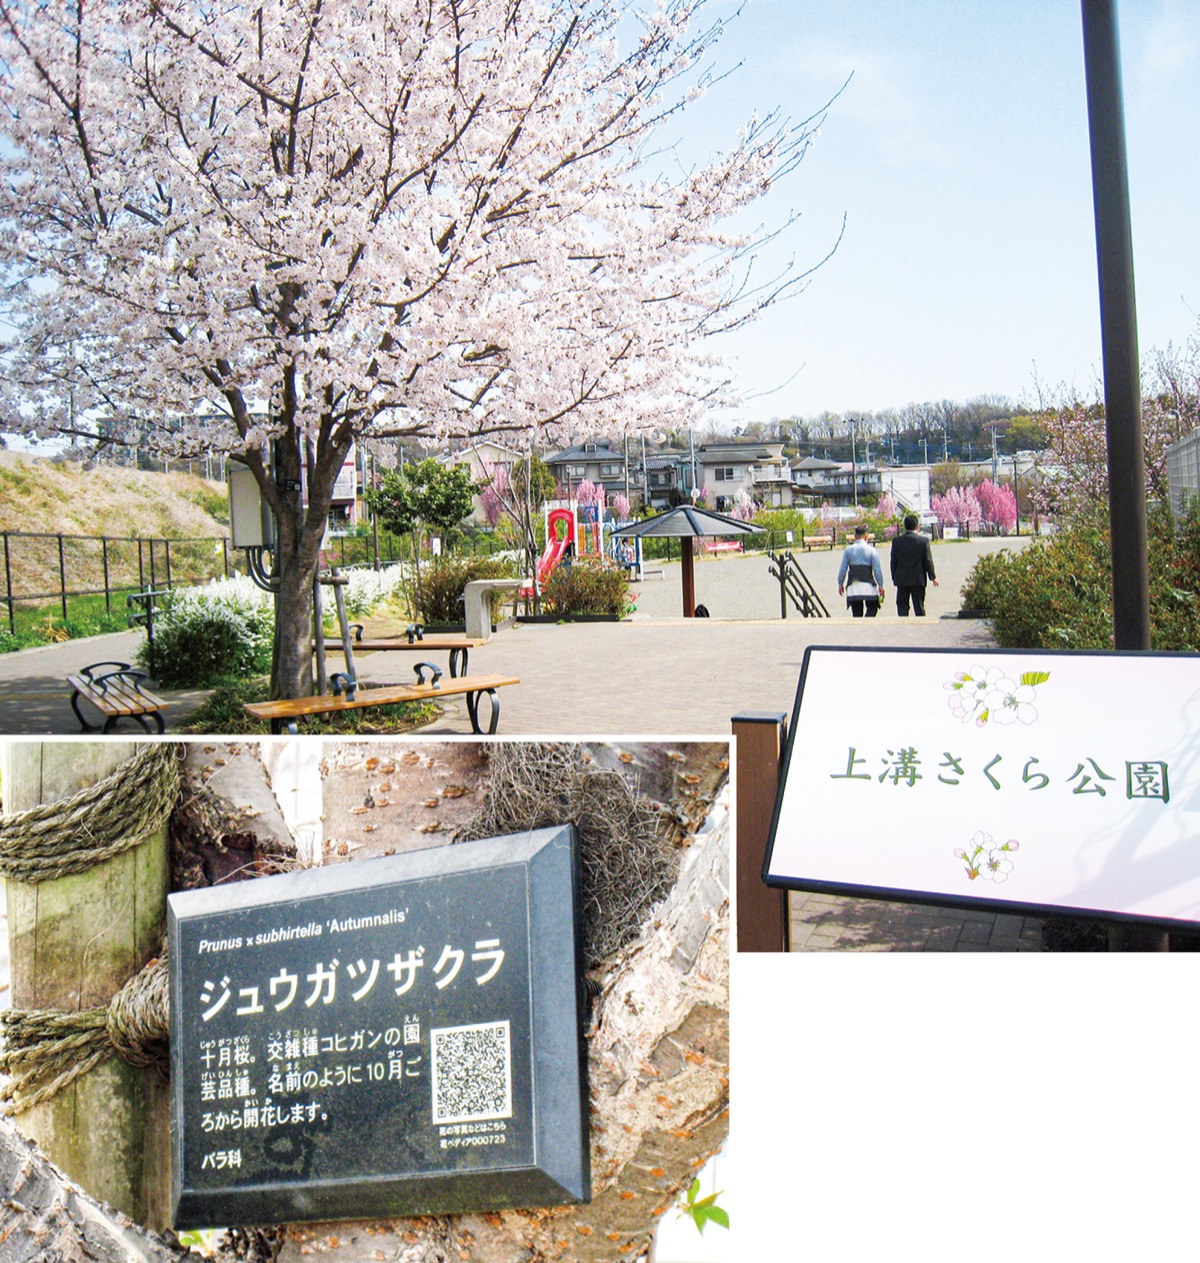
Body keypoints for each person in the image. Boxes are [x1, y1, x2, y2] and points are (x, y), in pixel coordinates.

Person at [889, 514, 939, 616]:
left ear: (905, 526)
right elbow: (927, 560)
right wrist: (933, 577)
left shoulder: (897, 541)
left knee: (902, 607)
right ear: (917, 527)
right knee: (919, 607)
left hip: (901, 579)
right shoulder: (923, 541)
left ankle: (903, 628)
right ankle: (921, 628)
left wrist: (894, 576)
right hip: (918, 579)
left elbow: (893, 561)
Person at [837, 525, 884, 617]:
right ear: (866, 536)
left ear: (855, 536)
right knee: (872, 608)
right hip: (869, 585)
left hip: (853, 586)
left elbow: (843, 569)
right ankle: (867, 622)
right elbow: (877, 570)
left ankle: (859, 627)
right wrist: (880, 585)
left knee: (857, 613)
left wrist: (840, 583)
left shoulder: (848, 551)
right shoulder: (872, 551)